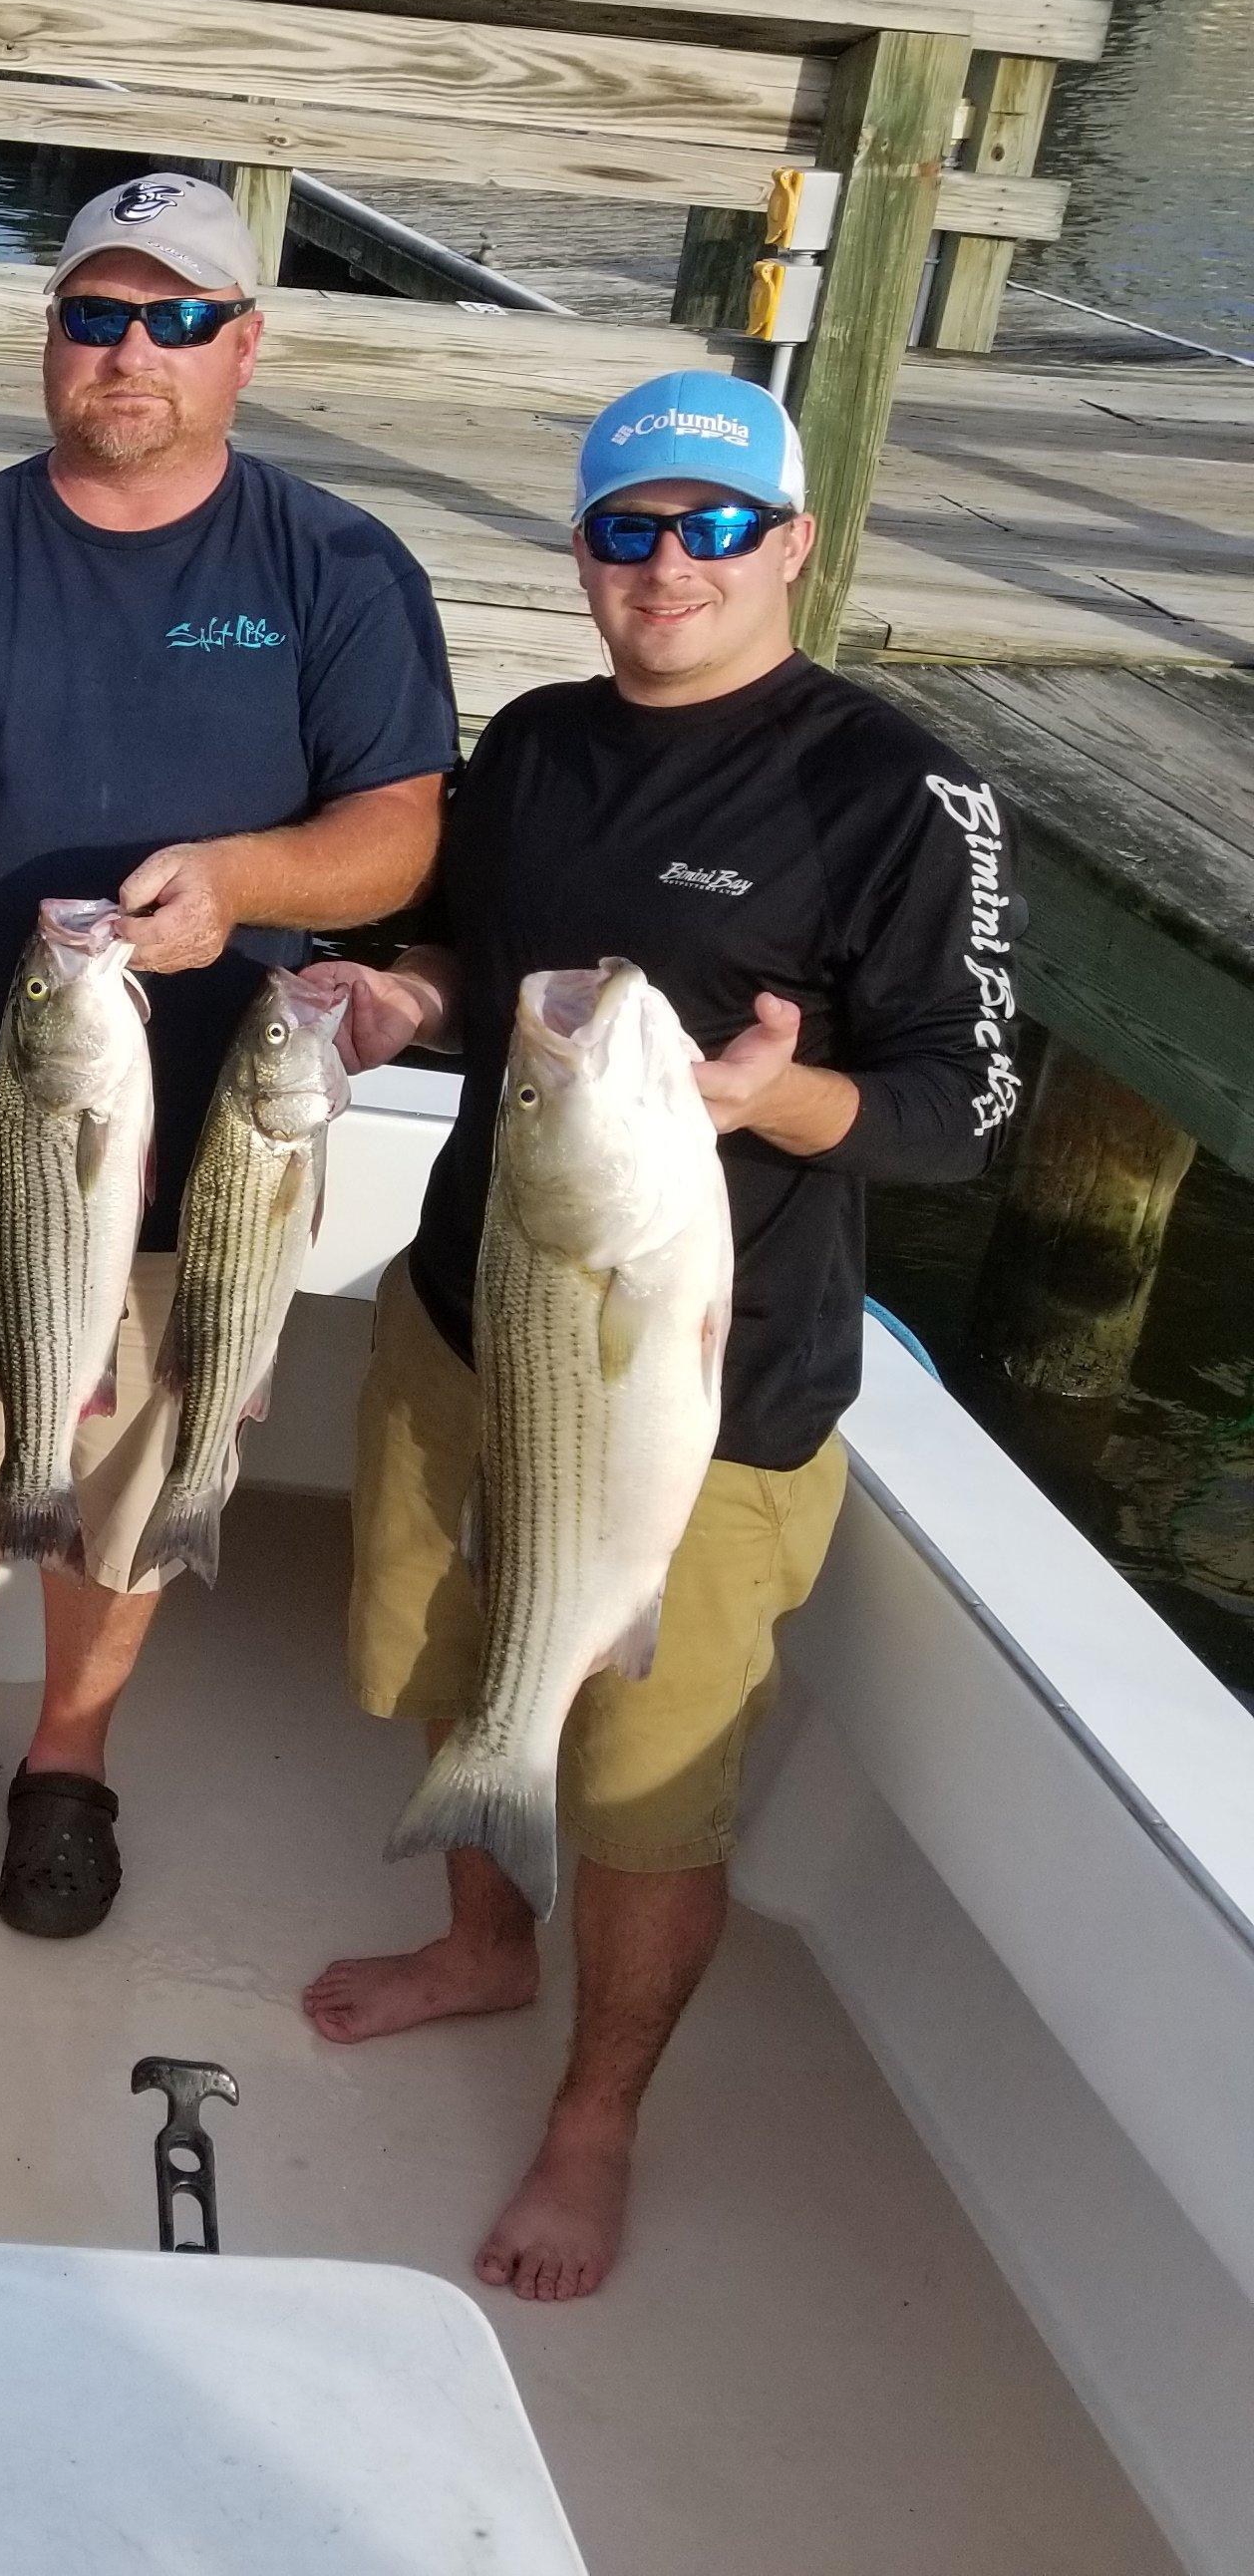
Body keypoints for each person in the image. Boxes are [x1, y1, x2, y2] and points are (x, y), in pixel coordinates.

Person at [297, 371, 1016, 2301]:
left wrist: (780, 1102)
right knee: (463, 1665)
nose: (670, 564)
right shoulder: (528, 749)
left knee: (644, 1788)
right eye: (629, 529)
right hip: (478, 1321)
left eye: (714, 527)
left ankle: (595, 2115)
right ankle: (476, 1943)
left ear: (794, 542)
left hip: (706, 1394)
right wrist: (397, 993)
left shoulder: (891, 793)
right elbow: (472, 967)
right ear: (586, 558)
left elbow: (970, 1111)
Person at [0, 171, 455, 1937]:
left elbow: (395, 835)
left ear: (245, 344)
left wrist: (242, 881)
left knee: (135, 1451)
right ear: (51, 337)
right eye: (97, 313)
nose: (129, 351)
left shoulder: (333, 565)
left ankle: (70, 1745)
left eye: (174, 319)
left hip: (217, 1115)